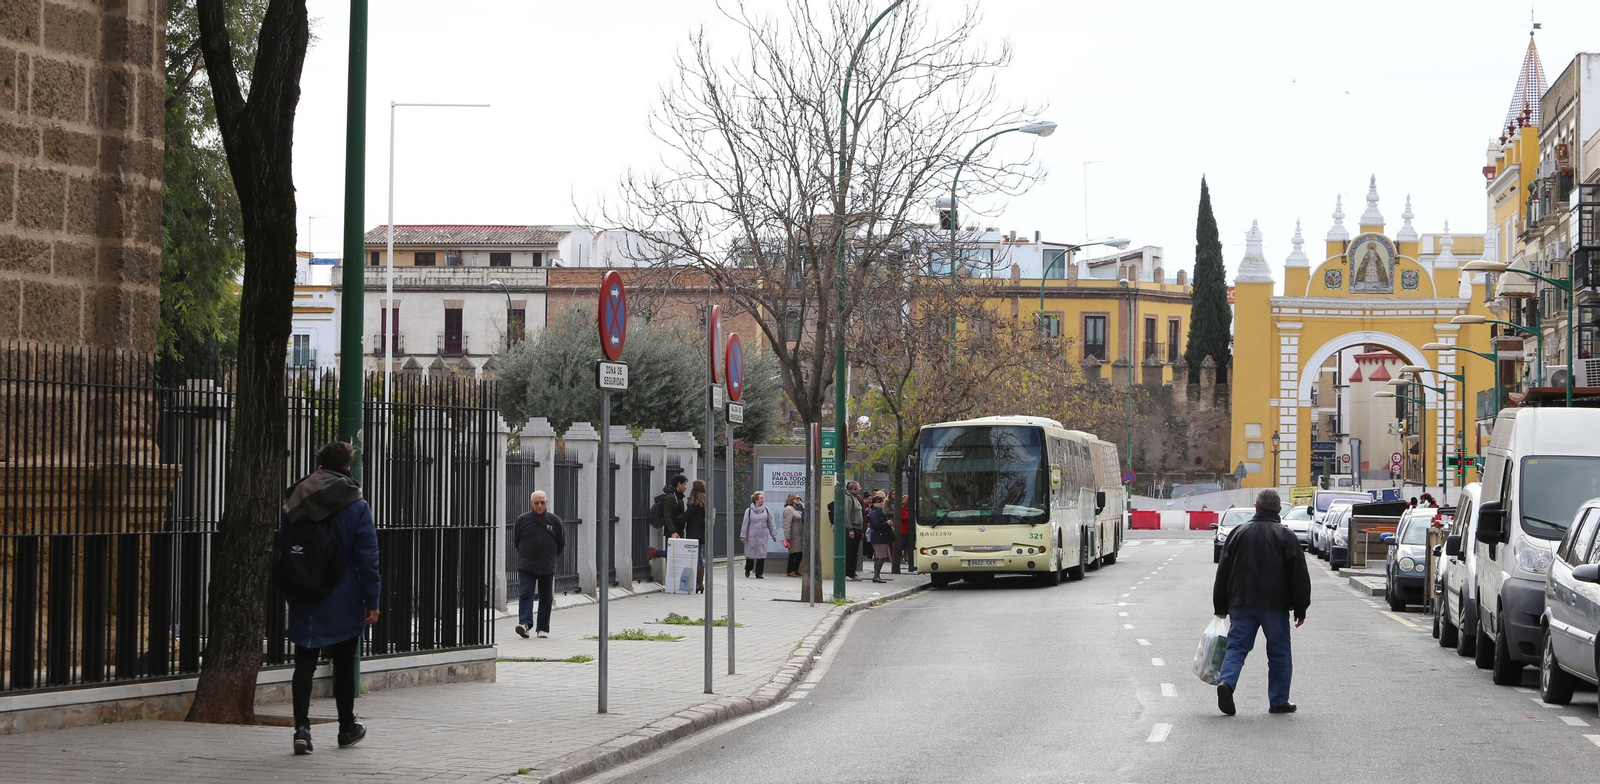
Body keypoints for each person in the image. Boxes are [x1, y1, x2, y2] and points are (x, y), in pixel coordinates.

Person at [277, 441, 380, 755]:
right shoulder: (357, 504)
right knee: (345, 664)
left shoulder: (297, 497)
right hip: (345, 595)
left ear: (319, 466)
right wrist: (372, 598)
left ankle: (301, 729)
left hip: (305, 591)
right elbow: (368, 556)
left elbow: (283, 546)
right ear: (348, 466)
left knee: (304, 663)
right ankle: (346, 728)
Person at [1212, 488, 1311, 717]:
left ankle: (1226, 683)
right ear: (1278, 509)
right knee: (1279, 652)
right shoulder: (1286, 536)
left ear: (1256, 507)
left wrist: (1221, 606)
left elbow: (1223, 571)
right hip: (1275, 605)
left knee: (1237, 647)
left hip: (1241, 602)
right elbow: (1299, 575)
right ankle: (1278, 701)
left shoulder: (1238, 533)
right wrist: (1300, 607)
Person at [513, 490, 565, 640]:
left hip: (547, 566)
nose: (540, 505)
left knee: (546, 597)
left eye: (542, 502)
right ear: (531, 504)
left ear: (546, 502)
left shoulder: (555, 521)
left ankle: (542, 628)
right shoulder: (522, 520)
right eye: (536, 503)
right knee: (525, 594)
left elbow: (561, 543)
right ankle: (525, 624)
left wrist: (551, 558)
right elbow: (517, 541)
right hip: (527, 566)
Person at [645, 474, 689, 562]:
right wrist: (673, 532)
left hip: (678, 530)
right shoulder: (671, 498)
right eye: (684, 484)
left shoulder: (678, 497)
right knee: (674, 557)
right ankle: (654, 552)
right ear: (679, 484)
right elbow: (667, 516)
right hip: (673, 531)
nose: (686, 487)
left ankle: (655, 552)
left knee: (676, 556)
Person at [741, 491, 779, 578]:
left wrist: (773, 535)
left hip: (762, 536)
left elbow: (770, 523)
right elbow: (745, 524)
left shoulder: (766, 510)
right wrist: (743, 536)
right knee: (751, 555)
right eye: (761, 498)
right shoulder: (749, 511)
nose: (763, 500)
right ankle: (748, 569)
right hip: (752, 536)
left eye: (763, 498)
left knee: (761, 555)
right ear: (756, 500)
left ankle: (759, 573)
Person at [684, 480, 708, 590]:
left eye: (692, 486)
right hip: (702, 532)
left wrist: (676, 519)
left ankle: (699, 583)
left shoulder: (695, 503)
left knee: (697, 556)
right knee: (700, 555)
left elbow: (687, 515)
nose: (690, 488)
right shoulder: (704, 501)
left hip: (694, 532)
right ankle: (700, 582)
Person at [867, 492, 895, 583]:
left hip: (882, 537)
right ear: (874, 503)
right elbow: (875, 524)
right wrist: (886, 523)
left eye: (882, 501)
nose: (881, 503)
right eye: (879, 502)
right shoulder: (875, 512)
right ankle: (876, 576)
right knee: (881, 557)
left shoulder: (880, 512)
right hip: (878, 537)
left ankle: (877, 575)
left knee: (880, 557)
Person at [843, 480, 865, 580]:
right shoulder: (848, 498)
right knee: (850, 551)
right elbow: (846, 513)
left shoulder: (856, 499)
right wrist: (850, 528)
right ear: (854, 488)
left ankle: (852, 572)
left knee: (855, 552)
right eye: (859, 487)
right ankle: (847, 573)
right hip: (852, 528)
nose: (860, 488)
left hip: (858, 528)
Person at [783, 494, 806, 577]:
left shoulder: (798, 508)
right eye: (797, 498)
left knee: (800, 553)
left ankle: (796, 569)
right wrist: (787, 537)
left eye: (799, 498)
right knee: (793, 553)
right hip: (793, 534)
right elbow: (787, 523)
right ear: (792, 499)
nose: (799, 499)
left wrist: (803, 507)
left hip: (800, 534)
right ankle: (790, 570)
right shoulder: (789, 509)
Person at [898, 493, 915, 573]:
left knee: (908, 545)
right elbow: (900, 517)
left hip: (909, 530)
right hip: (903, 529)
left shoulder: (910, 510)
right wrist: (908, 517)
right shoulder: (902, 509)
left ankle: (907, 556)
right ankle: (900, 557)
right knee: (901, 544)